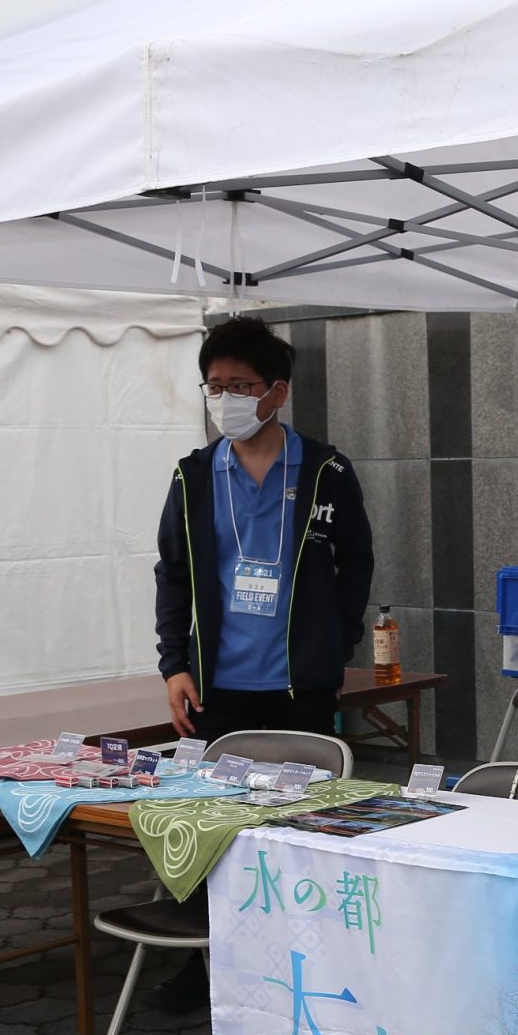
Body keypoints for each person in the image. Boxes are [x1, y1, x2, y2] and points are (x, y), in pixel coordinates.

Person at [155, 315, 375, 742]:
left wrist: (336, 647)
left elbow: (356, 563)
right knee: (214, 787)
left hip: (302, 685)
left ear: (278, 392)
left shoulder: (326, 471)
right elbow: (173, 574)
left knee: (305, 785)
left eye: (240, 386)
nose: (225, 399)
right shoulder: (193, 476)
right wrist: (175, 665)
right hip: (214, 688)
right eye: (215, 387)